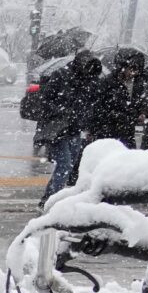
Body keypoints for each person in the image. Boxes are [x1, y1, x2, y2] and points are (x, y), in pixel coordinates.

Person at [38, 50, 103, 205]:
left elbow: (91, 104)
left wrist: (87, 122)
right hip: (58, 129)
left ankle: (50, 198)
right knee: (65, 165)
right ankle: (51, 200)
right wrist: (63, 111)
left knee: (70, 165)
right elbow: (45, 100)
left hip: (74, 129)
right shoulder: (61, 75)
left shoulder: (90, 80)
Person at [90, 48, 146, 147]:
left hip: (129, 132)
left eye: (137, 70)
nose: (134, 73)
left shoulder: (139, 83)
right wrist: (114, 115)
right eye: (131, 69)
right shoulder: (107, 83)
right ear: (122, 67)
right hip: (108, 132)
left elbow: (141, 102)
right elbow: (97, 108)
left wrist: (141, 112)